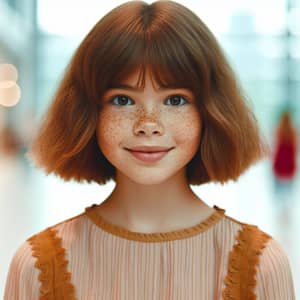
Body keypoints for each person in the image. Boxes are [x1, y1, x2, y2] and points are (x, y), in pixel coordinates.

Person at [4, 1, 295, 299]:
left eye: (175, 100)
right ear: (88, 113)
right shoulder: (35, 270)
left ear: (209, 112)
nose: (148, 125)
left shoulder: (263, 268)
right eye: (122, 100)